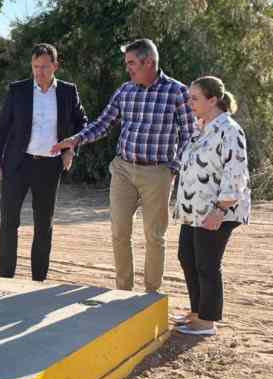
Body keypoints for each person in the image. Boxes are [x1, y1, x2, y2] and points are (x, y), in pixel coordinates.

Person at [50, 39, 195, 293]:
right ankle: (122, 292)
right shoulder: (125, 91)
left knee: (154, 237)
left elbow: (190, 134)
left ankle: (150, 295)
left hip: (158, 172)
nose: (128, 68)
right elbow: (103, 123)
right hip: (123, 170)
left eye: (131, 63)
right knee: (119, 233)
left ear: (149, 62)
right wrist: (76, 139)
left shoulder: (177, 93)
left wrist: (173, 168)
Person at [0, 43, 89, 281]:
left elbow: (82, 124)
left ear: (55, 65)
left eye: (44, 66)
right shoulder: (18, 90)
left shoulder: (67, 91)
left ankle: (38, 280)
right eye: (35, 67)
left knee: (44, 225)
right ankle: (5, 278)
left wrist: (71, 148)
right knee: (9, 221)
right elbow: (1, 128)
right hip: (17, 164)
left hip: (49, 167)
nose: (39, 72)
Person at [171, 75, 251, 335]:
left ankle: (207, 321)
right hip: (193, 210)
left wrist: (219, 210)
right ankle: (196, 312)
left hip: (217, 211)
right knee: (187, 257)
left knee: (207, 263)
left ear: (213, 99)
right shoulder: (201, 127)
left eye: (195, 98)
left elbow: (235, 174)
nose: (189, 102)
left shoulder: (230, 130)